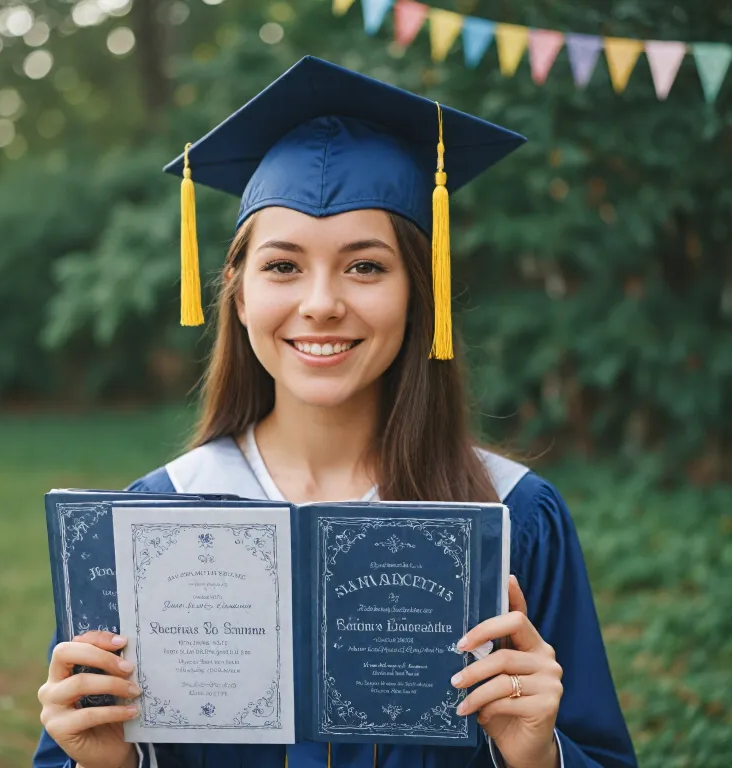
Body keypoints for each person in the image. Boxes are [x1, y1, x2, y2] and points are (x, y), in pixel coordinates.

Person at [33, 56, 637, 768]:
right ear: (237, 290)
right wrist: (107, 760)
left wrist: (538, 755)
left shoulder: (515, 520)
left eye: (366, 266)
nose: (321, 303)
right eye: (283, 265)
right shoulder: (155, 522)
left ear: (420, 289)